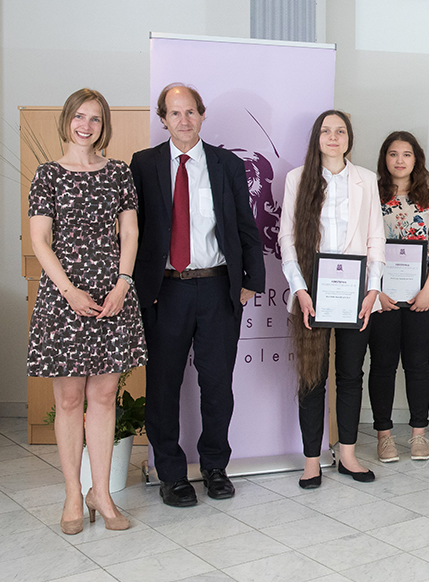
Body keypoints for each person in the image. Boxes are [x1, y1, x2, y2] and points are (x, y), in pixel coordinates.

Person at [130, 84, 265, 507]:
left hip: (217, 287)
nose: (184, 120)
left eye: (191, 112)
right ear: (163, 119)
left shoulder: (225, 163)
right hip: (164, 291)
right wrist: (137, 286)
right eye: (175, 113)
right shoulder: (144, 164)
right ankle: (170, 473)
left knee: (217, 385)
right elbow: (134, 231)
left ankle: (214, 467)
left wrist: (251, 281)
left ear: (202, 116)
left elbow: (246, 223)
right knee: (164, 385)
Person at [27, 88, 146, 533]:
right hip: (64, 297)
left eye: (95, 119)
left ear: (103, 126)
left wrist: (123, 283)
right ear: (67, 121)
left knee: (102, 397)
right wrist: (69, 291)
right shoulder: (48, 175)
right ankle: (73, 495)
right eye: (80, 117)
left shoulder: (118, 173)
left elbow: (130, 235)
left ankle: (103, 493)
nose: (87, 125)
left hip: (114, 294)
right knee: (70, 399)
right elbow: (40, 240)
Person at [279, 110, 385, 489]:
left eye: (340, 131)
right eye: (326, 131)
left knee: (351, 375)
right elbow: (287, 239)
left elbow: (376, 238)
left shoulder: (366, 181)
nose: (333, 137)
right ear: (316, 137)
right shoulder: (298, 179)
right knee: (313, 377)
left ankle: (349, 455)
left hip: (355, 293)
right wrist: (299, 291)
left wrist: (373, 289)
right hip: (312, 292)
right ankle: (312, 460)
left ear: (349, 138)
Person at [369, 131, 429, 462]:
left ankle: (418, 434)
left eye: (406, 154)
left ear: (416, 160)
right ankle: (384, 436)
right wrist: (377, 293)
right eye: (392, 154)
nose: (399, 160)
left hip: (422, 296)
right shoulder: (370, 195)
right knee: (383, 365)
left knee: (418, 364)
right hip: (381, 296)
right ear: (384, 159)